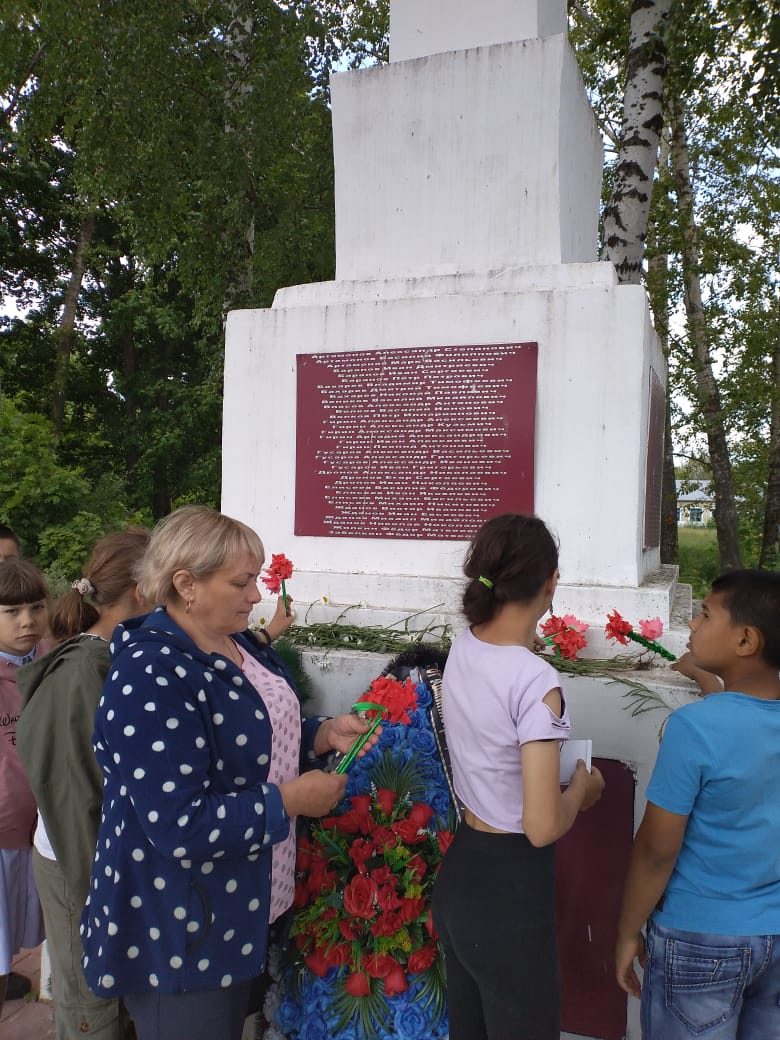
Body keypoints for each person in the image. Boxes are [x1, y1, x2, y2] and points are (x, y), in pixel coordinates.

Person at [79, 505, 380, 1040]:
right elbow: (179, 822)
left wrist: (322, 734)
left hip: (251, 902)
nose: (256, 596)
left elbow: (257, 736)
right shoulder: (152, 672)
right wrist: (287, 802)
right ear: (186, 585)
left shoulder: (235, 643)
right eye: (241, 582)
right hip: (187, 927)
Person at [432, 513, 605, 1040]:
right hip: (510, 891)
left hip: (462, 873)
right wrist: (580, 791)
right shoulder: (535, 680)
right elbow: (541, 826)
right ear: (551, 582)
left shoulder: (467, 644)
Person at [615, 569, 780, 1039]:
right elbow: (744, 729)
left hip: (700, 941)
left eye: (706, 614)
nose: (692, 624)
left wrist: (628, 930)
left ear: (746, 639)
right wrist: (706, 675)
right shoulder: (720, 721)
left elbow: (656, 851)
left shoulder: (694, 728)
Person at [16, 528, 152, 1040]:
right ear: (143, 591)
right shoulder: (83, 672)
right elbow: (74, 799)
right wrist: (99, 895)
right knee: (89, 1006)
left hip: (95, 861)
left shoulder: (117, 652)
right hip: (79, 865)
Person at [0, 558, 50, 1013]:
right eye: (10, 611)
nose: (27, 621)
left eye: (36, 607)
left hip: (40, 832)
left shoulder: (55, 659)